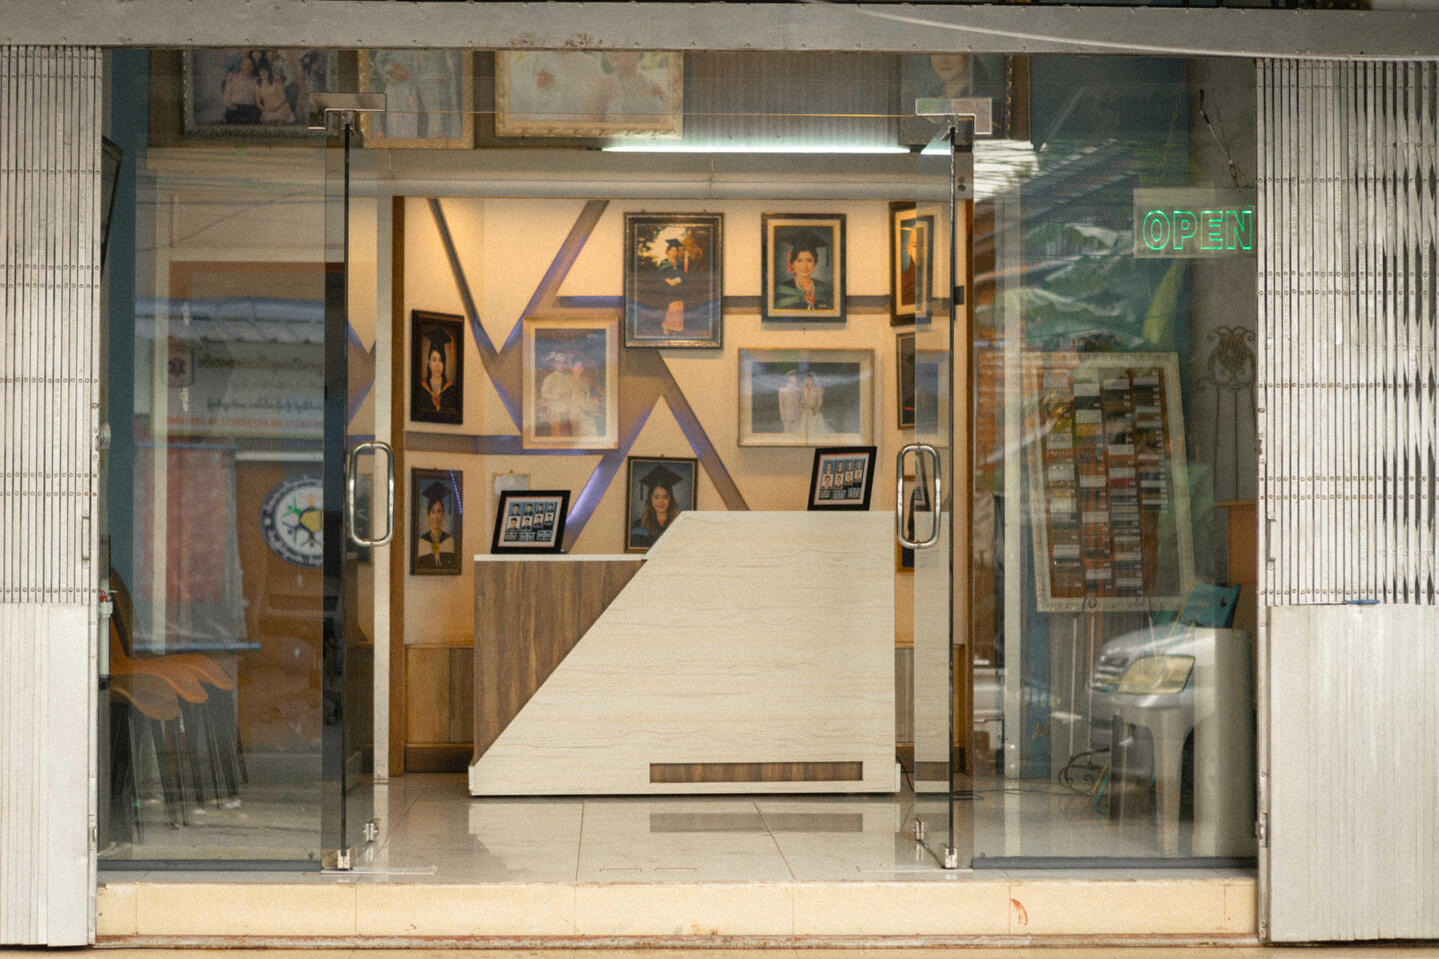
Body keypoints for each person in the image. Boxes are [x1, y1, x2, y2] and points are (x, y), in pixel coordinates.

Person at [774, 231, 833, 312]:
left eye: (809, 260)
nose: (804, 266)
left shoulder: (823, 288)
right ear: (792, 264)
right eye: (799, 261)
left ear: (815, 263)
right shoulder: (783, 289)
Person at [629, 463, 684, 550]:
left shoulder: (679, 524)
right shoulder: (639, 525)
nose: (660, 502)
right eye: (656, 497)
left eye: (665, 497)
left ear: (670, 499)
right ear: (650, 500)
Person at [415, 330, 459, 416]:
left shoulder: (451, 390)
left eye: (441, 360)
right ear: (429, 363)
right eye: (434, 360)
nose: (437, 365)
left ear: (444, 363)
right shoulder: (422, 389)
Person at [416, 481, 457, 570]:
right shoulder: (422, 542)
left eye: (439, 511)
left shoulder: (449, 541)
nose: (436, 517)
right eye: (432, 512)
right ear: (428, 515)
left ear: (443, 514)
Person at [221, 54, 260, 124]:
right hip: (235, 108)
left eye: (250, 65)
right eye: (245, 65)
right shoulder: (233, 78)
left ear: (253, 67)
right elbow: (227, 96)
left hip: (251, 109)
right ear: (241, 66)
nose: (247, 67)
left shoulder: (257, 80)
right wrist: (233, 107)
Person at [800, 372, 833, 438]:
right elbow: (802, 400)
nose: (808, 382)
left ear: (813, 381)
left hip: (814, 411)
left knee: (813, 428)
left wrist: (816, 409)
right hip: (805, 412)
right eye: (807, 380)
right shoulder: (804, 390)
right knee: (804, 428)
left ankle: (813, 439)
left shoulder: (818, 389)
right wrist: (801, 404)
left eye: (810, 380)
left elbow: (820, 401)